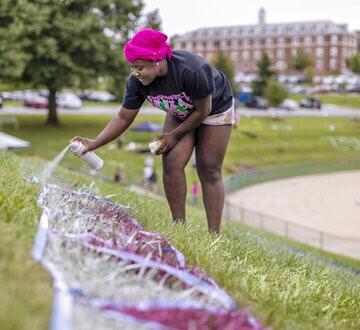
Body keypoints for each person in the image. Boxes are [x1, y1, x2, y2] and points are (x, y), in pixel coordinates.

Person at [70, 28, 234, 233]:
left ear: (157, 61)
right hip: (180, 109)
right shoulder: (136, 83)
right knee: (172, 161)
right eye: (132, 67)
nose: (135, 73)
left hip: (213, 108)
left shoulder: (192, 70)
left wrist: (174, 136)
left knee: (208, 167)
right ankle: (179, 228)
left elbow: (203, 111)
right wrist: (94, 143)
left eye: (139, 67)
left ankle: (213, 235)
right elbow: (123, 117)